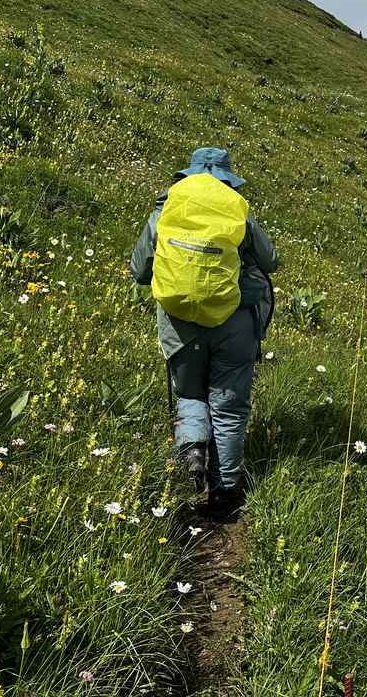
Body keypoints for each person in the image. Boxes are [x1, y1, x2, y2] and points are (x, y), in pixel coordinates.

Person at [130, 147, 279, 519]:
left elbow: (139, 269)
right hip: (235, 321)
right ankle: (225, 495)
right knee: (228, 410)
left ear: (189, 173)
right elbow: (271, 260)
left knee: (191, 393)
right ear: (228, 178)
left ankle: (193, 452)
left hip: (180, 324)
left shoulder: (166, 209)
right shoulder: (237, 207)